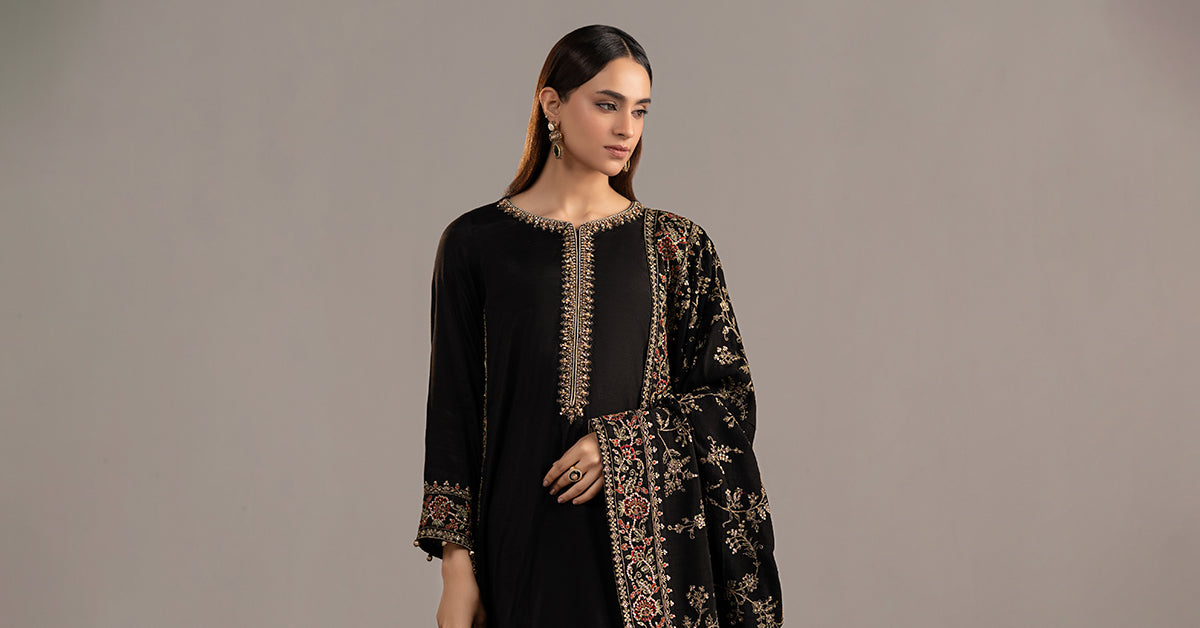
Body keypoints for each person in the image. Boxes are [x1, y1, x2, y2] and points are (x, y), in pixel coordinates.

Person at [413, 24, 783, 628]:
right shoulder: (475, 244)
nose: (626, 129)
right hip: (518, 545)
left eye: (640, 111)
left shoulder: (676, 246)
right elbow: (453, 410)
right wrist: (457, 571)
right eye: (607, 105)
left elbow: (730, 401)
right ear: (552, 104)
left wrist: (619, 447)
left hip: (651, 559)